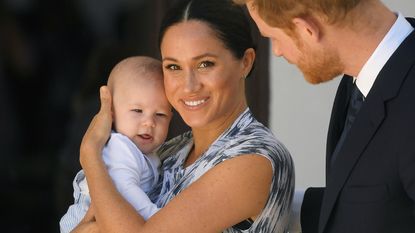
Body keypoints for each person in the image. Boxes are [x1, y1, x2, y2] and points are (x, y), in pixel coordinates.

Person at [72, 0, 295, 232]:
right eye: (173, 67)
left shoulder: (254, 158)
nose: (188, 86)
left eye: (205, 64)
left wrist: (90, 155)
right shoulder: (170, 151)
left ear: (245, 63)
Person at [233, 0, 415, 232]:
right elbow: (378, 203)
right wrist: (264, 202)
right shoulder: (359, 80)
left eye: (273, 38)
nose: (277, 51)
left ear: (307, 29)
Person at [60, 56, 173, 232]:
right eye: (137, 111)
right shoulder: (119, 148)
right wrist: (156, 219)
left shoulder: (146, 152)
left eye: (160, 115)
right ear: (111, 112)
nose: (149, 122)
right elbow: (125, 190)